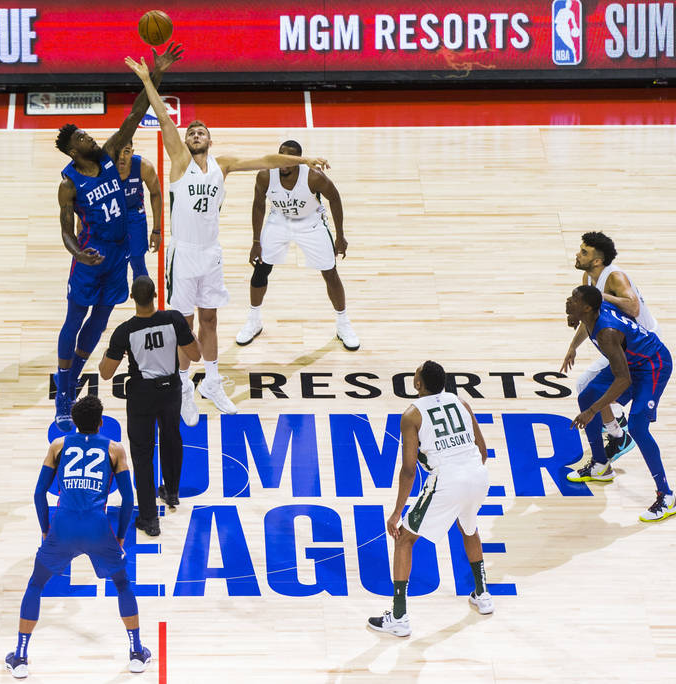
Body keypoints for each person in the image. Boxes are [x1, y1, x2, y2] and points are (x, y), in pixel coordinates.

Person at [125, 55, 330, 425]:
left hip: (211, 254)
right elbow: (166, 118)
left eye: (201, 130)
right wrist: (148, 79)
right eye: (191, 131)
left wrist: (305, 160)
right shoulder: (178, 160)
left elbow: (265, 158)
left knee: (211, 321)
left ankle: (213, 382)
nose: (195, 133)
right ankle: (185, 386)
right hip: (184, 254)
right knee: (183, 326)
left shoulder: (224, 164)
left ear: (211, 139)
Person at [53, 43, 183, 432]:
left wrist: (155, 74)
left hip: (119, 252)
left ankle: (73, 374)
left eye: (87, 134)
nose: (88, 138)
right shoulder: (68, 182)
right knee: (75, 317)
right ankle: (63, 393)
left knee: (103, 317)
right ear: (71, 150)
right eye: (81, 138)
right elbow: (63, 227)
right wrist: (80, 251)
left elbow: (137, 111)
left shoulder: (110, 152)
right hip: (90, 256)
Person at [5, 395, 151, 679]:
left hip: (64, 526)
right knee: (122, 584)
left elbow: (38, 494)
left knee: (36, 585)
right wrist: (120, 536)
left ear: (73, 422)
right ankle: (136, 652)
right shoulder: (115, 449)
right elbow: (128, 498)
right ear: (100, 422)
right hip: (97, 528)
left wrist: (45, 528)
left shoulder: (58, 445)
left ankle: (20, 657)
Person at [367, 360, 493, 636]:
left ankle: (398, 617)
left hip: (448, 481)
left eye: (416, 372)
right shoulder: (462, 403)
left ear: (418, 383)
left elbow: (409, 470)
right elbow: (482, 452)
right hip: (478, 475)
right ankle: (482, 596)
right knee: (468, 527)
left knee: (404, 538)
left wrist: (396, 512)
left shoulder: (412, 415)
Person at [565, 285, 676, 522]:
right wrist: (572, 347)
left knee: (637, 427)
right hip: (631, 362)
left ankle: (666, 496)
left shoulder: (607, 333)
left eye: (574, 300)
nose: (568, 300)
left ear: (586, 307)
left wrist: (592, 411)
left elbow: (623, 380)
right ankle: (600, 464)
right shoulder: (592, 313)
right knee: (587, 393)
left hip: (652, 365)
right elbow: (586, 326)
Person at [99, 276, 201, 537]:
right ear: (155, 295)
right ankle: (172, 492)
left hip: (142, 395)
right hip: (170, 391)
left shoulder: (124, 331)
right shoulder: (174, 319)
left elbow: (106, 373)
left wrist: (110, 353)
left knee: (142, 455)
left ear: (132, 298)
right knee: (171, 438)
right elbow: (196, 355)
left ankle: (149, 519)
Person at [236, 139, 359, 350]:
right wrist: (256, 241)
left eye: (289, 157)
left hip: (311, 222)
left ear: (298, 161)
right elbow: (258, 205)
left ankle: (343, 323)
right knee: (261, 269)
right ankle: (254, 320)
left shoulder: (313, 177)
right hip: (279, 221)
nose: (283, 161)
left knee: (330, 272)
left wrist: (340, 236)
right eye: (281, 155)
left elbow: (335, 199)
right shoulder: (266, 175)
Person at [561, 231, 659, 464]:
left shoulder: (614, 277)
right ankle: (614, 425)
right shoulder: (587, 278)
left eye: (584, 252)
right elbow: (591, 316)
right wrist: (573, 346)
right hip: (623, 342)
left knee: (589, 386)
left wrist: (601, 296)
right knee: (589, 387)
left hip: (644, 344)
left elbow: (633, 308)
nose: (578, 254)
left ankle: (617, 432)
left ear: (597, 261)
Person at [117, 142, 163, 280]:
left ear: (132, 152)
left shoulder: (144, 167)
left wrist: (156, 230)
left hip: (134, 214)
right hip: (112, 216)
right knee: (108, 263)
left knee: (138, 263)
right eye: (118, 152)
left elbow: (155, 194)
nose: (121, 157)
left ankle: (144, 298)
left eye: (126, 151)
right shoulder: (103, 168)